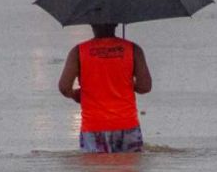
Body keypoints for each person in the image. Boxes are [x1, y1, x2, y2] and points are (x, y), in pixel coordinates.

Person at [59, 24, 152, 153]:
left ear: (91, 24)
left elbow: (64, 88)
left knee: (95, 171)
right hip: (127, 123)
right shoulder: (134, 49)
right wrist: (125, 83)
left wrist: (77, 95)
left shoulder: (78, 51)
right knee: (129, 171)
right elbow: (145, 87)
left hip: (94, 126)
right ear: (116, 23)